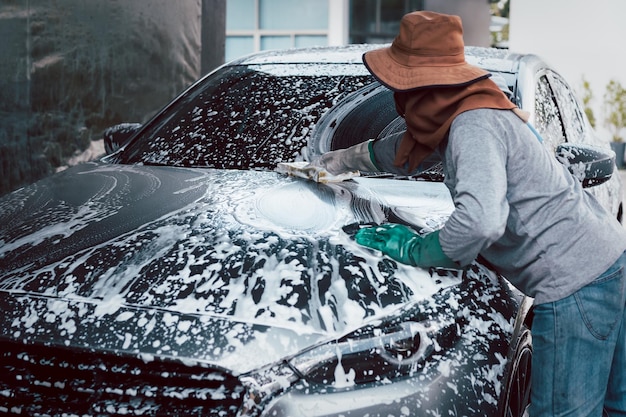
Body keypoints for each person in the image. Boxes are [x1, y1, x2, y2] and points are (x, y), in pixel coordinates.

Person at [311, 10, 626, 417]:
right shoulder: (467, 110)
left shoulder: (472, 125)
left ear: (426, 88)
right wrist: (343, 160)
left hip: (575, 283)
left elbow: (481, 221)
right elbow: (408, 153)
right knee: (616, 409)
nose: (399, 101)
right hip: (607, 260)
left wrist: (418, 248)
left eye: (402, 88)